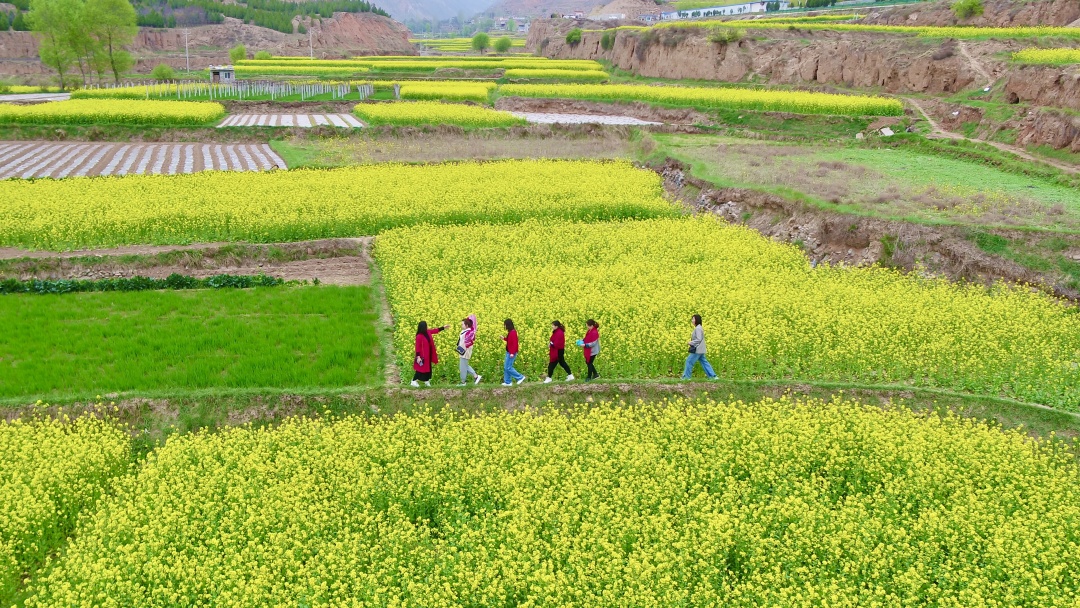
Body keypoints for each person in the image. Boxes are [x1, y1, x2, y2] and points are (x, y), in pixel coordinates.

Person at [411, 320, 448, 387]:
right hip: (422, 356)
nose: (427, 327)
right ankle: (413, 381)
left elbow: (435, 330)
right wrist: (418, 357)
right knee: (420, 369)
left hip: (428, 355)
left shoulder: (427, 332)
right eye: (425, 326)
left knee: (428, 369)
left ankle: (426, 381)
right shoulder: (419, 336)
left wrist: (443, 327)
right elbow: (417, 347)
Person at [682, 314, 717, 380]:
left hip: (697, 349)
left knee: (689, 361)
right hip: (701, 349)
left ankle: (686, 377)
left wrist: (690, 342)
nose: (692, 320)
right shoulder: (699, 327)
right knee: (704, 362)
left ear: (697, 320)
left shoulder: (698, 328)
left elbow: (699, 339)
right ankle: (713, 376)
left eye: (693, 319)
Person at [457, 315, 481, 386]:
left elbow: (468, 343)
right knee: (464, 366)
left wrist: (463, 349)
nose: (461, 325)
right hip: (462, 351)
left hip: (465, 352)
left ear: (467, 325)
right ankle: (476, 376)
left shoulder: (469, 332)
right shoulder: (465, 331)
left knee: (462, 367)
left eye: (462, 324)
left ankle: (463, 382)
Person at [501, 318, 526, 386]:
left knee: (508, 367)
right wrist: (504, 338)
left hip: (511, 353)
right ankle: (508, 382)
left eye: (505, 325)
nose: (504, 326)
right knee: (506, 367)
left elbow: (515, 344)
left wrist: (512, 353)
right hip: (509, 352)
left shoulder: (513, 332)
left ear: (508, 325)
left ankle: (520, 377)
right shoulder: (511, 332)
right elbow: (510, 340)